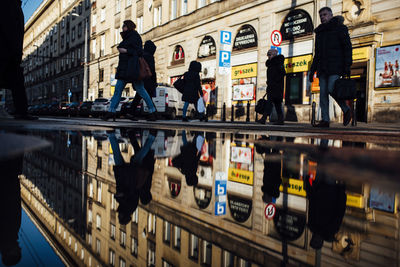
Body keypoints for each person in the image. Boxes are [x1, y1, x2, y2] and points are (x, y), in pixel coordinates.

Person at [102, 20, 157, 121]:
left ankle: (152, 110)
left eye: (124, 26)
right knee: (118, 90)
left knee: (142, 91)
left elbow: (139, 51)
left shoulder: (135, 37)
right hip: (124, 68)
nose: (122, 28)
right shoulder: (127, 37)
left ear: (129, 27)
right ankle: (111, 111)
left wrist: (127, 51)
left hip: (133, 68)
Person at [309, 7, 352, 128]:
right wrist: (312, 71)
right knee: (323, 94)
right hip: (323, 68)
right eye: (321, 15)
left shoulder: (340, 28)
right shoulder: (320, 33)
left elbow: (347, 47)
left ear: (331, 15)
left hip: (336, 66)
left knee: (332, 89)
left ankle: (346, 109)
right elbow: (317, 54)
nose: (323, 17)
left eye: (325, 14)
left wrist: (347, 65)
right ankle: (325, 120)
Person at [109, 130, 156, 225]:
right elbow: (132, 193)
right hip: (130, 176)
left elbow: (123, 195)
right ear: (124, 216)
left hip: (126, 176)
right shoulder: (131, 207)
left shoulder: (127, 207)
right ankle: (151, 137)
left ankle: (151, 137)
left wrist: (120, 196)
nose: (118, 215)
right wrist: (121, 195)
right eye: (120, 217)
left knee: (117, 155)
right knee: (121, 155)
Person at [0, 1, 37, 120]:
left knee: (16, 79)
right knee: (17, 79)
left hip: (9, 51)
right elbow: (11, 30)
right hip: (7, 51)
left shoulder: (13, 5)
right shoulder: (9, 5)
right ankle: (22, 111)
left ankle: (22, 111)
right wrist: (15, 51)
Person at [0, 156, 23, 266]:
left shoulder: (9, 231)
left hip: (7, 175)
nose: (19, 247)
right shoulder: (12, 232)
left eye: (17, 250)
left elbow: (12, 205)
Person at [127, 40, 158, 121]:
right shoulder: (150, 56)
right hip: (149, 80)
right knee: (147, 97)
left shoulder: (141, 55)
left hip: (141, 78)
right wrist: (155, 81)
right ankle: (153, 114)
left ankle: (132, 112)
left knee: (139, 97)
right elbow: (152, 70)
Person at [257, 49, 286, 125]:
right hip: (272, 86)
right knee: (277, 104)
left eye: (270, 55)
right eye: (268, 55)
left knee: (270, 103)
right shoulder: (271, 65)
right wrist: (269, 82)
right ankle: (280, 120)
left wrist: (273, 82)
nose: (268, 56)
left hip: (276, 87)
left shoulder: (278, 63)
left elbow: (282, 74)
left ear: (274, 54)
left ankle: (264, 119)